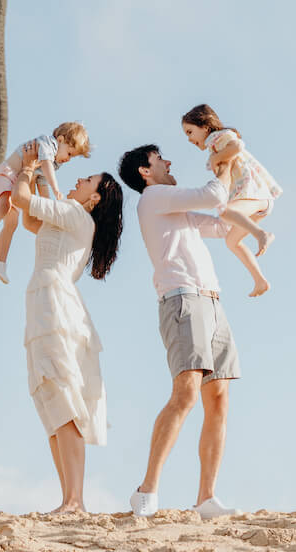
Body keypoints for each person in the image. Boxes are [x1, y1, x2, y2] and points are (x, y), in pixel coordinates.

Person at [118, 143, 242, 519]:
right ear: (145, 171)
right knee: (185, 394)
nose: (169, 162)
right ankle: (147, 489)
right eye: (160, 159)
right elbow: (212, 194)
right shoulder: (154, 197)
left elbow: (222, 226)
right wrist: (225, 157)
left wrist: (252, 199)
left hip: (213, 302)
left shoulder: (174, 208)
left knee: (218, 397)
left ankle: (206, 498)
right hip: (183, 301)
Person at [9, 145, 124, 514]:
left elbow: (21, 198)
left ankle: (74, 501)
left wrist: (28, 168)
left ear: (95, 197)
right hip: (45, 302)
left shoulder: (76, 216)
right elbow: (30, 220)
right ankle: (68, 499)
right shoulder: (70, 215)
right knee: (51, 400)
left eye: (88, 179)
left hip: (55, 305)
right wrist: (37, 174)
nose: (79, 178)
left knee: (62, 397)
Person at [181, 103, 281, 298]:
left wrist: (217, 157)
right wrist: (216, 162)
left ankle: (261, 234)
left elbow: (238, 145)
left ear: (205, 127)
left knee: (225, 211)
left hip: (255, 195)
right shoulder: (213, 148)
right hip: (254, 202)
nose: (189, 139)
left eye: (190, 132)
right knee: (231, 241)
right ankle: (260, 281)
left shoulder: (218, 137)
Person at [0, 121, 92, 284]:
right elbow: (46, 166)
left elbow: (41, 181)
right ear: (61, 140)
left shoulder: (53, 162)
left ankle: (0, 260)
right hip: (5, 175)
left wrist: (50, 207)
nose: (68, 159)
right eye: (69, 154)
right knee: (4, 206)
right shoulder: (46, 143)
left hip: (14, 183)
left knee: (12, 222)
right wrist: (56, 188)